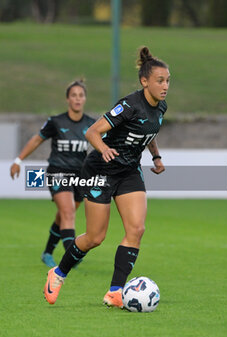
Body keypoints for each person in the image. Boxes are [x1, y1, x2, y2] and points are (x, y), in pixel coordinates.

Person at [43, 46, 170, 307]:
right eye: (160, 80)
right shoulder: (128, 105)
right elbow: (92, 132)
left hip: (129, 172)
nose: (165, 85)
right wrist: (104, 148)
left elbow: (149, 132)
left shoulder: (161, 107)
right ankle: (58, 273)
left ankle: (115, 292)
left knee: (136, 229)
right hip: (100, 169)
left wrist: (156, 157)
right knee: (95, 237)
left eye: (168, 80)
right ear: (144, 81)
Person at [10, 80, 95, 268]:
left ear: (85, 99)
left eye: (81, 95)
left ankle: (47, 252)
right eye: (74, 95)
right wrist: (18, 160)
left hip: (80, 176)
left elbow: (103, 145)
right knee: (68, 211)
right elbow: (36, 140)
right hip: (58, 172)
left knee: (63, 215)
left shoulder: (91, 124)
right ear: (67, 99)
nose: (77, 99)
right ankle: (70, 255)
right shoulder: (56, 122)